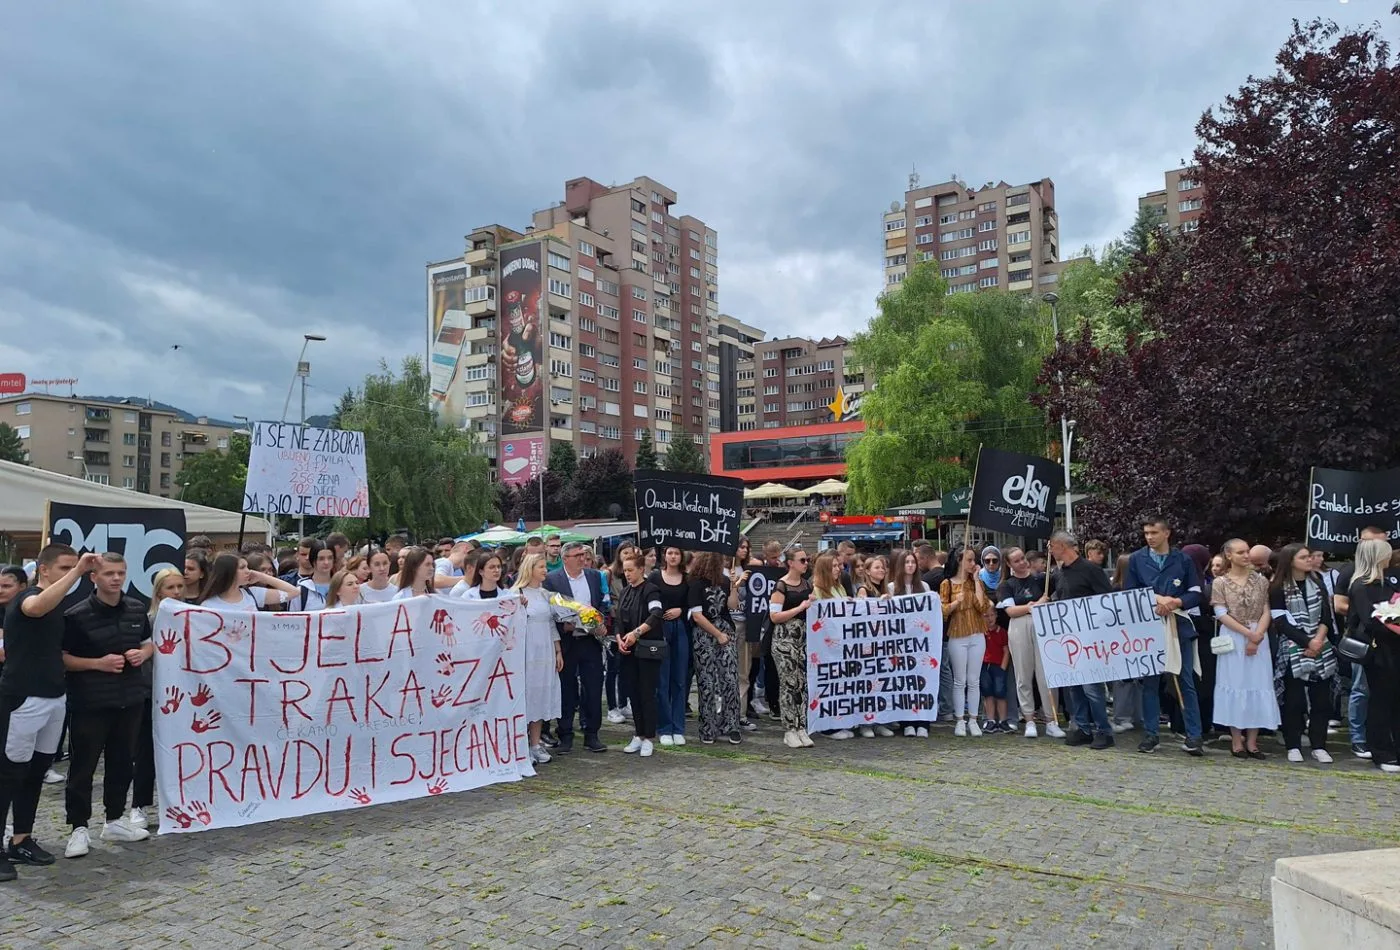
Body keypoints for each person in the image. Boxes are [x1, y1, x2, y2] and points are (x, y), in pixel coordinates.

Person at [0, 546, 104, 881]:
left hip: (54, 696)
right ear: (44, 570)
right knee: (8, 774)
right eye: (64, 567)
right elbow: (35, 607)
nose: (71, 573)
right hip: (23, 697)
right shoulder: (28, 597)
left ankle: (21, 838)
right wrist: (78, 571)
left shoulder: (60, 604)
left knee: (35, 772)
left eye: (73, 568)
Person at [60, 553, 155, 859]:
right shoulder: (76, 615)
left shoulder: (136, 608)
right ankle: (78, 827)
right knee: (83, 767)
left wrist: (144, 653)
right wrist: (97, 664)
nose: (115, 578)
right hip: (90, 702)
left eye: (120, 573)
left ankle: (114, 819)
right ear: (94, 577)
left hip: (130, 699)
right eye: (109, 573)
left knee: (122, 762)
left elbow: (148, 642)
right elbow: (62, 658)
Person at [1122, 516, 1206, 757]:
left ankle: (1194, 734)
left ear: (1167, 533)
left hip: (1179, 626)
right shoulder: (1137, 559)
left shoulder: (1183, 559)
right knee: (1150, 682)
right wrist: (1157, 599)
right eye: (1146, 533)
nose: (1149, 537)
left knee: (1185, 679)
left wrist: (1176, 602)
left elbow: (1196, 592)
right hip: (1149, 628)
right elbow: (1130, 591)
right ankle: (1151, 734)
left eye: (1154, 532)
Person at [1046, 531, 1116, 750]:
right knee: (1074, 688)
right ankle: (1083, 728)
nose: (1050, 550)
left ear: (1062, 546)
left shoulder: (1091, 570)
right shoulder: (1058, 574)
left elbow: (1106, 600)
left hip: (1090, 640)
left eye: (1052, 546)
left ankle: (1104, 731)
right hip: (1069, 640)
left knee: (1092, 688)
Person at [1270, 543, 1338, 764]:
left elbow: (1326, 617)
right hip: (1293, 647)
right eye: (1304, 557)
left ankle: (1319, 745)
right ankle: (1293, 744)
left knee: (1321, 700)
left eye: (1310, 556)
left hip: (1321, 646)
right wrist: (1306, 642)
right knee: (1294, 700)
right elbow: (1280, 622)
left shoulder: (1318, 584)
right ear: (1290, 561)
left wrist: (1317, 640)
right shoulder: (1278, 587)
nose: (1310, 560)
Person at [1210, 539, 1278, 759]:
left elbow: (1266, 609)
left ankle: (1252, 740)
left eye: (1247, 551)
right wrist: (1248, 634)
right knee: (1235, 682)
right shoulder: (1220, 582)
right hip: (1234, 635)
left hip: (1258, 634)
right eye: (1240, 552)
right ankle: (1236, 739)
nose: (1246, 555)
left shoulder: (1260, 580)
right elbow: (1221, 613)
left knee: (1258, 683)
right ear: (1229, 555)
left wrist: (1257, 635)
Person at [1340, 539, 1400, 773]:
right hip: (1379, 650)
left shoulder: (1389, 580)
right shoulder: (1361, 585)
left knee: (1396, 701)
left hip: (1395, 647)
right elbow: (1370, 620)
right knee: (1381, 701)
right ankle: (1382, 752)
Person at [544, 541, 608, 754]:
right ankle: (565, 734)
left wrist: (601, 621)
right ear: (565, 559)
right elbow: (549, 611)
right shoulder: (552, 579)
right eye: (577, 555)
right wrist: (564, 626)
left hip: (591, 641)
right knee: (566, 690)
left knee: (593, 688)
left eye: (583, 554)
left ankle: (592, 734)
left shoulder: (594, 576)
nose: (582, 558)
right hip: (568, 642)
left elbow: (602, 603)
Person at [133, 568, 183, 829]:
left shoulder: (192, 619)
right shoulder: (150, 620)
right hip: (152, 694)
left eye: (179, 587)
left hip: (183, 696)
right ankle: (139, 805)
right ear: (159, 591)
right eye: (170, 587)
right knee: (146, 752)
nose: (176, 592)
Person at [1334, 526, 1388, 760]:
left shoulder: (1388, 574)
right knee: (1361, 689)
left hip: (1385, 641)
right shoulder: (1352, 574)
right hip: (1364, 639)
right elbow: (1340, 605)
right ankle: (1358, 738)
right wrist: (1384, 616)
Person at [512, 554, 563, 765]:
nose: (545, 570)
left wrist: (558, 650)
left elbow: (551, 623)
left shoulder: (545, 594)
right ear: (529, 569)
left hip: (545, 651)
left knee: (541, 695)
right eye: (541, 567)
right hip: (526, 651)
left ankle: (535, 743)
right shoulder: (516, 593)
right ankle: (520, 745)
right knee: (526, 695)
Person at [688, 552, 744, 745]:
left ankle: (731, 725)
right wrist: (718, 634)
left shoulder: (725, 581)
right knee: (707, 682)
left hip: (725, 630)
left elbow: (733, 605)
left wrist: (734, 586)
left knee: (730, 679)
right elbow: (697, 616)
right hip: (705, 634)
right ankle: (708, 727)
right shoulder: (695, 584)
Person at [615, 553, 664, 757]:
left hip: (646, 650)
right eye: (625, 570)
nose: (627, 574)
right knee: (633, 693)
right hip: (628, 650)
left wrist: (636, 633)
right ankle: (638, 733)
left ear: (641, 569)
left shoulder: (651, 590)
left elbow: (656, 614)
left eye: (631, 570)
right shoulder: (625, 591)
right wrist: (619, 638)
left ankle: (649, 737)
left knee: (647, 693)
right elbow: (619, 619)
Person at [940, 546, 990, 738]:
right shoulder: (947, 584)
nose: (973, 563)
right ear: (959, 561)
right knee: (959, 680)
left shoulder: (975, 582)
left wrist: (976, 581)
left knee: (974, 680)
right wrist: (956, 602)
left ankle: (974, 719)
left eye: (973, 560)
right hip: (957, 634)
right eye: (969, 560)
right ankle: (960, 719)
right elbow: (943, 611)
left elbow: (982, 606)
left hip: (977, 633)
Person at [769, 546, 814, 749]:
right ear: (791, 563)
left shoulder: (807, 584)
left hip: (803, 639)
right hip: (784, 639)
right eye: (802, 560)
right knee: (788, 683)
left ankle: (801, 725)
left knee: (801, 683)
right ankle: (789, 728)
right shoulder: (781, 586)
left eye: (807, 560)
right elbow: (775, 616)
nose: (806, 563)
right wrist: (800, 607)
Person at [649, 546, 694, 746]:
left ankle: (678, 727)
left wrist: (681, 611)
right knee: (662, 680)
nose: (673, 556)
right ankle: (664, 727)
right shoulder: (655, 577)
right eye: (670, 553)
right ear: (664, 556)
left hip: (682, 629)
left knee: (680, 680)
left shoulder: (688, 579)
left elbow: (693, 604)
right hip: (661, 629)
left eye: (677, 553)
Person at [890, 549, 936, 737]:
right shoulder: (892, 587)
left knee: (921, 681)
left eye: (913, 562)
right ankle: (907, 721)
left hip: (920, 642)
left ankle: (923, 722)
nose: (910, 565)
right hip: (901, 643)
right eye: (907, 562)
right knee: (905, 683)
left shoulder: (924, 586)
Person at [605, 544, 638, 725]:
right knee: (613, 668)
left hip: (630, 625)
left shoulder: (633, 575)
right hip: (614, 625)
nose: (628, 556)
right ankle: (612, 707)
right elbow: (605, 599)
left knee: (626, 667)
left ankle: (624, 702)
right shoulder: (609, 574)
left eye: (631, 553)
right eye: (625, 553)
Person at [198, 553, 299, 609]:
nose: (248, 571)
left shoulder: (253, 594)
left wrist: (262, 577)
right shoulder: (208, 605)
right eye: (242, 567)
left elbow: (294, 592)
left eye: (247, 567)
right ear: (229, 571)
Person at [295, 539, 335, 611]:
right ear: (313, 560)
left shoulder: (342, 585)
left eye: (330, 558)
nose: (326, 562)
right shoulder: (302, 590)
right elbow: (293, 616)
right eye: (321, 559)